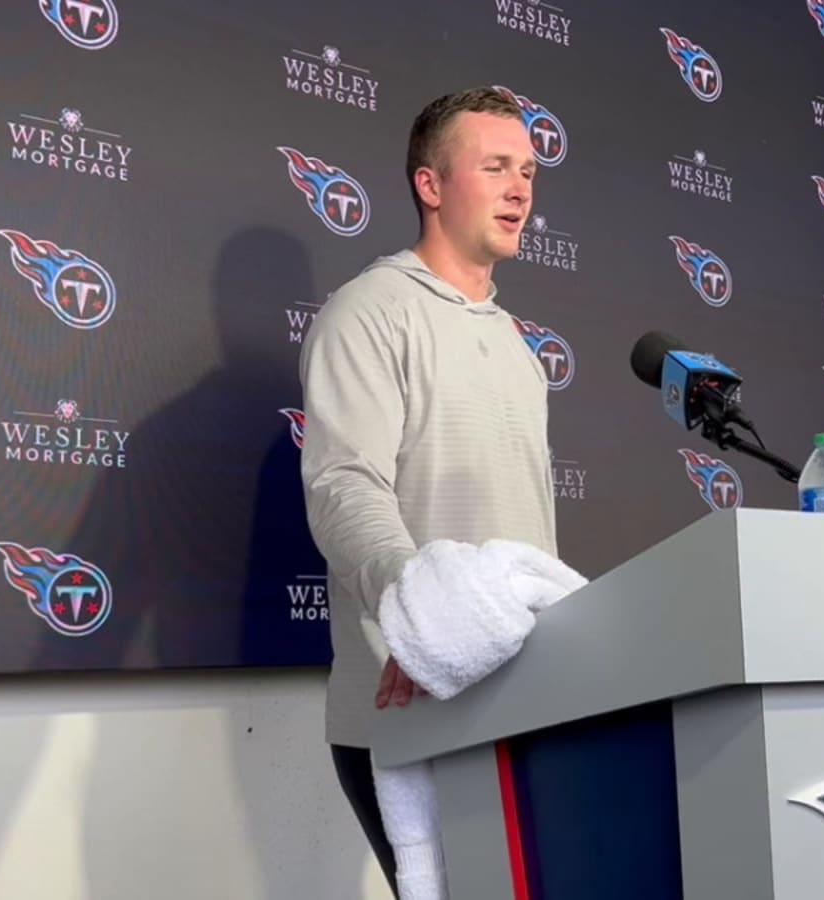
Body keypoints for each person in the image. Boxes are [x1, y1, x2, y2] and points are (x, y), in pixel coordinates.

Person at [299, 86, 557, 893]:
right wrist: (421, 612)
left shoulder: (516, 343)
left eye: (528, 169)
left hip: (523, 699)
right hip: (410, 699)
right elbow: (344, 486)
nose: (521, 188)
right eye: (495, 167)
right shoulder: (369, 312)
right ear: (431, 185)